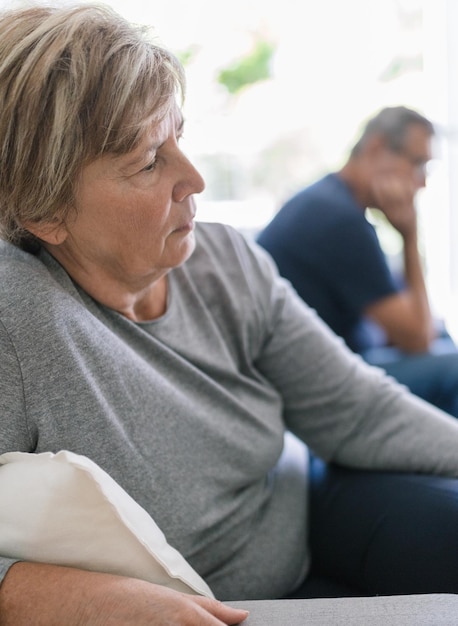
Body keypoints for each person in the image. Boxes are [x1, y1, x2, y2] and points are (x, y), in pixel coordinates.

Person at [2, 6, 458, 625]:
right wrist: (50, 596)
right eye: (147, 162)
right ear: (44, 212)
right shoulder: (17, 319)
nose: (195, 179)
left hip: (309, 506)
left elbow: (357, 409)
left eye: (179, 138)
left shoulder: (223, 258)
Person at [257, 106, 458, 418]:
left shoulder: (329, 200)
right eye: (417, 164)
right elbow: (418, 339)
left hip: (334, 365)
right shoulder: (338, 220)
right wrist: (409, 235)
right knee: (453, 366)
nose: (422, 184)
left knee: (444, 337)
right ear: (376, 148)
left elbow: (410, 326)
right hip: (318, 388)